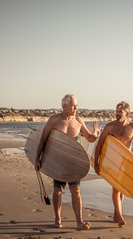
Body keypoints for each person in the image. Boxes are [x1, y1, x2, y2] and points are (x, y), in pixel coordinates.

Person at [35, 94, 100, 231]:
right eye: (73, 105)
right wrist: (37, 159)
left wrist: (95, 133)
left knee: (75, 191)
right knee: (57, 192)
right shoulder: (54, 120)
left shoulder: (78, 121)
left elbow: (89, 138)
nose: (76, 107)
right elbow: (43, 140)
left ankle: (79, 222)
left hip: (73, 162)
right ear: (64, 106)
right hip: (58, 162)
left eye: (76, 105)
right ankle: (57, 220)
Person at [94, 101, 133, 227]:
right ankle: (119, 216)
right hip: (113, 161)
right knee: (116, 188)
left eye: (120, 112)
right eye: (117, 111)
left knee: (122, 188)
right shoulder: (110, 127)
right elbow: (100, 144)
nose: (117, 114)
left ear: (127, 113)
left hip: (126, 162)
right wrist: (97, 162)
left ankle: (115, 214)